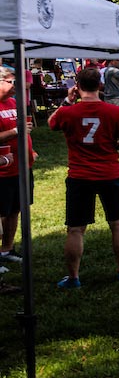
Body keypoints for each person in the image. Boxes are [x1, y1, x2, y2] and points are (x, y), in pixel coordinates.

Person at [47, 66, 119, 288]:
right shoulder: (114, 111)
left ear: (77, 87)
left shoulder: (67, 112)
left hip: (79, 176)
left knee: (75, 228)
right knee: (118, 223)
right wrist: (114, 145)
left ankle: (73, 277)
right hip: (110, 173)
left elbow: (52, 123)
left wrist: (67, 101)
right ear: (100, 86)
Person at [0, 66, 36, 272]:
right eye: (13, 82)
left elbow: (25, 130)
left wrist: (32, 149)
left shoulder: (14, 102)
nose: (18, 87)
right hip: (3, 170)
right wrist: (15, 131)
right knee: (1, 213)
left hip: (22, 166)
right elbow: (16, 130)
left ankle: (7, 249)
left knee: (15, 209)